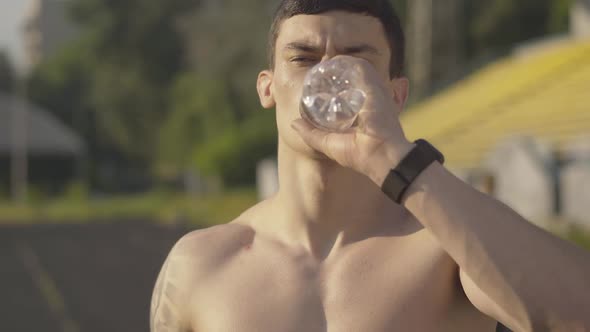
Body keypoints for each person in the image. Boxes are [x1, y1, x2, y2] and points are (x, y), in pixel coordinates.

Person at [150, 1, 590, 331]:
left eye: (355, 60)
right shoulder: (201, 263)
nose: (327, 76)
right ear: (268, 88)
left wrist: (397, 161)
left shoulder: (445, 253)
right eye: (302, 58)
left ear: (395, 95)